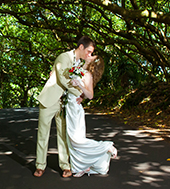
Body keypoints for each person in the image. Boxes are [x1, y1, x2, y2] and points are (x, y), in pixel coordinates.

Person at [34, 36, 95, 178]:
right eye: (89, 52)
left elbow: (81, 79)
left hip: (65, 103)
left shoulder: (79, 64)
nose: (89, 55)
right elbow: (63, 79)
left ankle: (65, 165)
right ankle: (40, 165)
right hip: (49, 100)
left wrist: (81, 95)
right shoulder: (64, 57)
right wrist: (80, 92)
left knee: (63, 134)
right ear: (81, 47)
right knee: (43, 134)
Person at [66, 56, 118, 177]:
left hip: (75, 109)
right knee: (72, 141)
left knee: (77, 140)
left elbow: (90, 95)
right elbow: (75, 83)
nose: (88, 56)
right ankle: (80, 167)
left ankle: (106, 146)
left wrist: (79, 85)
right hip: (70, 106)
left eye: (91, 56)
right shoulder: (80, 69)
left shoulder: (88, 74)